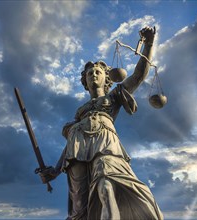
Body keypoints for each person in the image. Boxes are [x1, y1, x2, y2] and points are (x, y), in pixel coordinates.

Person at [40, 26, 163, 220]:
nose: (94, 75)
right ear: (85, 82)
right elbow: (71, 143)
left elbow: (138, 75)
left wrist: (148, 44)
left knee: (108, 184)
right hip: (78, 153)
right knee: (80, 208)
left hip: (105, 144)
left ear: (108, 78)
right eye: (89, 73)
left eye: (98, 72)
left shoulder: (114, 96)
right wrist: (54, 171)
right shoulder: (79, 114)